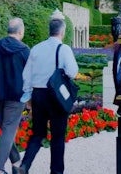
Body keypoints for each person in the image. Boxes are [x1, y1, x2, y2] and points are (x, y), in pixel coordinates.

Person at [20, 16, 78, 174]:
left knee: (37, 134)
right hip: (56, 96)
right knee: (58, 137)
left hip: (38, 94)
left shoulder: (36, 48)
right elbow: (73, 72)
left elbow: (27, 75)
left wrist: (28, 96)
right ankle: (56, 172)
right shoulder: (64, 49)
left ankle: (25, 165)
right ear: (62, 32)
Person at [0, 18, 30, 174]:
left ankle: (16, 163)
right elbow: (31, 76)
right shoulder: (24, 51)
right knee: (9, 130)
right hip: (17, 97)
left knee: (6, 129)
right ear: (20, 31)